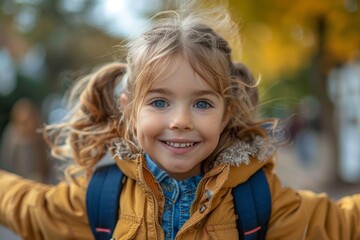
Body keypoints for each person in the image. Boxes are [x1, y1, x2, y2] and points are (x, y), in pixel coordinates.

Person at [1, 2, 360, 240]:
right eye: (159, 101)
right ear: (129, 110)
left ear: (226, 114)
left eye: (202, 103)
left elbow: (341, 222)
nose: (180, 121)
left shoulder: (257, 197)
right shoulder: (100, 196)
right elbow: (30, 207)